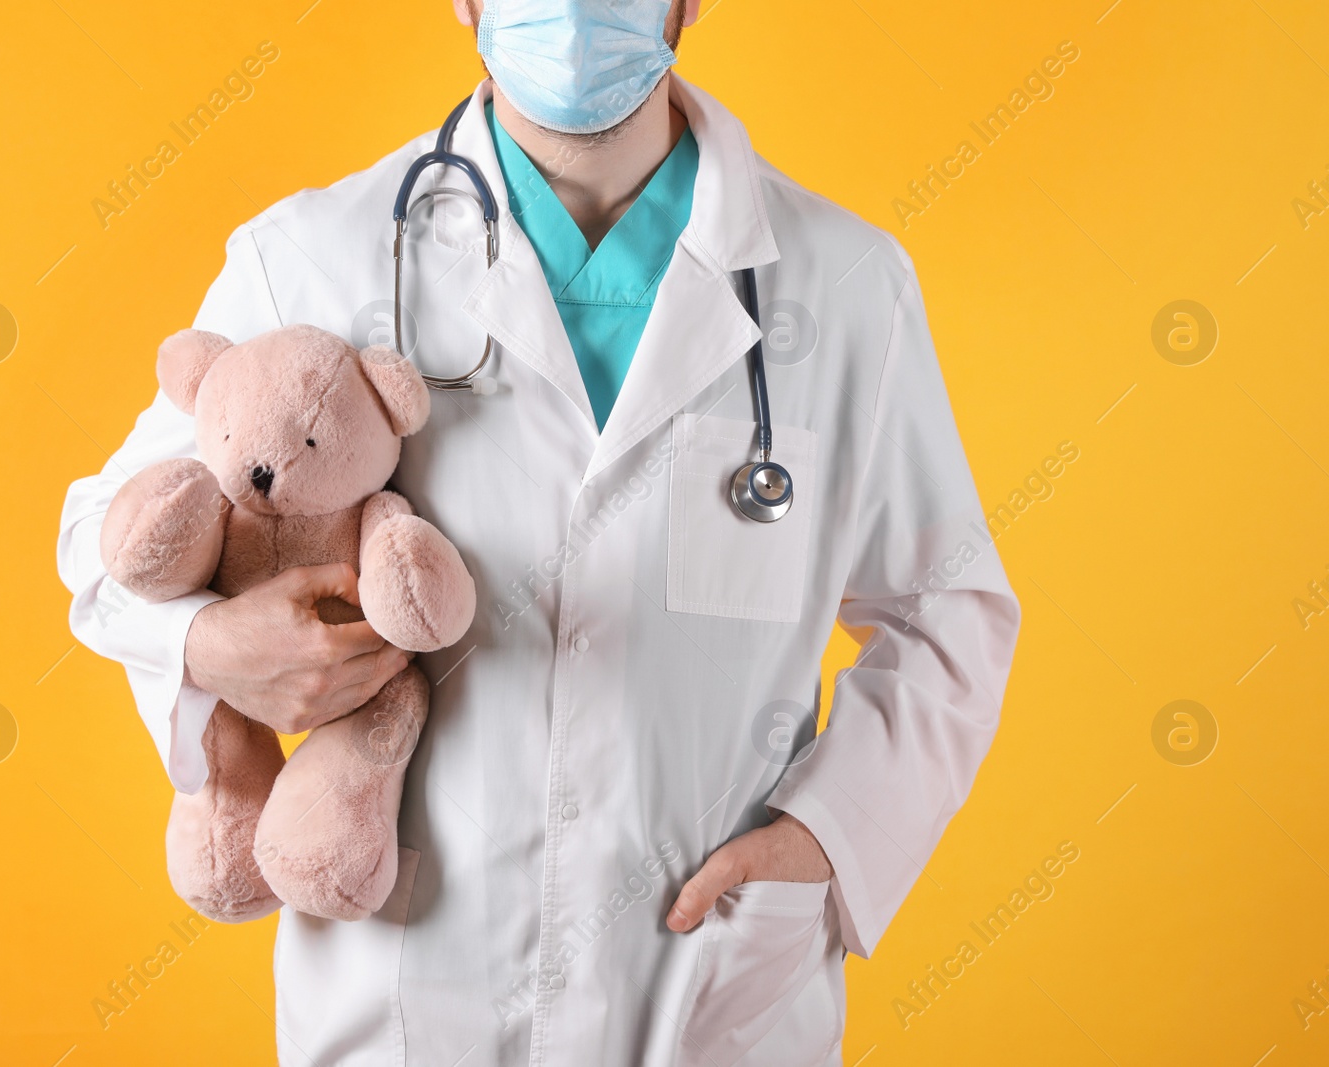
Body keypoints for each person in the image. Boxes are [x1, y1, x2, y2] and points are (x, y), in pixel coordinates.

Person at [56, 1, 1020, 1063]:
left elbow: (949, 611)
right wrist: (208, 646)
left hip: (708, 991)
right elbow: (103, 537)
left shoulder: (843, 285)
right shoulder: (318, 254)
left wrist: (830, 839)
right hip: (412, 990)